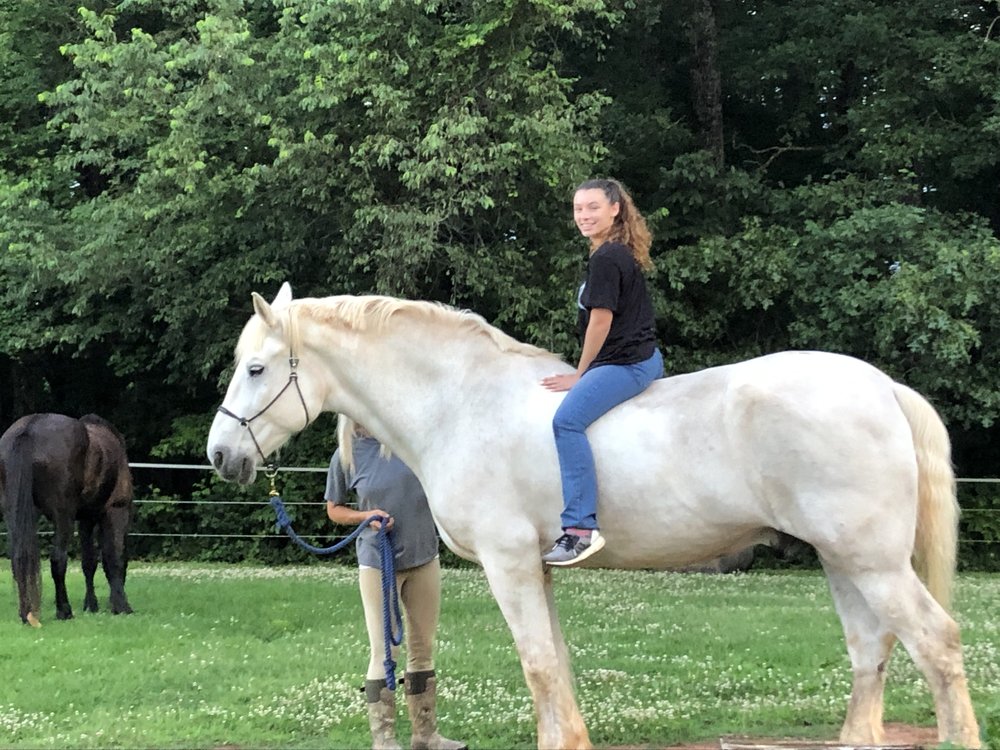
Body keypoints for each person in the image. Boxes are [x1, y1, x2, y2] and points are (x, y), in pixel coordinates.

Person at [540, 178, 664, 566]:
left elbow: (600, 321)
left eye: (592, 207)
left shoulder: (607, 258)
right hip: (637, 356)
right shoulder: (614, 252)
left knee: (567, 422)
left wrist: (582, 373)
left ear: (615, 209)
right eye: (578, 209)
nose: (583, 216)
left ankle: (579, 530)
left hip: (626, 363)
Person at [326, 415, 465, 750]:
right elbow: (334, 508)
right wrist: (365, 518)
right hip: (379, 562)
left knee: (422, 647)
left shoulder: (408, 442)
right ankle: (384, 740)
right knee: (385, 650)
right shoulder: (347, 454)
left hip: (424, 556)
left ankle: (425, 735)